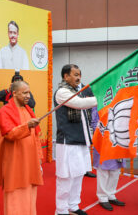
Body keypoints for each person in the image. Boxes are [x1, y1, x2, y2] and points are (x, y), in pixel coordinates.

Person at [54, 64, 97, 215]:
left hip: (82, 140)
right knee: (65, 177)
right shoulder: (62, 92)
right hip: (67, 141)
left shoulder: (81, 90)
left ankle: (73, 206)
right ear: (66, 76)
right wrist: (102, 98)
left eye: (80, 74)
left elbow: (95, 90)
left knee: (78, 175)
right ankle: (61, 210)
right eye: (75, 74)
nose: (79, 77)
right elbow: (79, 104)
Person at [0, 80, 43, 215]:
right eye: (25, 93)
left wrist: (39, 157)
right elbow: (10, 134)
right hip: (15, 162)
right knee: (15, 195)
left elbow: (36, 136)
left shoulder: (28, 110)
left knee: (30, 193)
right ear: (14, 93)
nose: (28, 96)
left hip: (30, 161)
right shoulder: (4, 111)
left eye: (29, 92)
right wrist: (27, 126)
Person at [92, 106, 126, 211]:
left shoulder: (121, 102)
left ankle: (111, 195)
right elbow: (94, 123)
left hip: (118, 140)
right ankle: (102, 197)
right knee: (103, 171)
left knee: (115, 170)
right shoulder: (100, 102)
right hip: (104, 140)